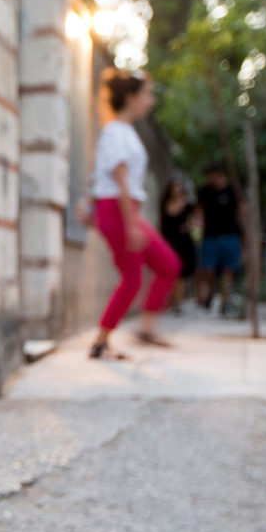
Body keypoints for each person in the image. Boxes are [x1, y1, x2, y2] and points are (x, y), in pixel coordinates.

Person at [87, 69, 181, 359]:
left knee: (167, 265)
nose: (150, 101)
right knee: (132, 279)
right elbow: (120, 178)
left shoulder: (123, 132)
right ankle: (101, 341)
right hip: (119, 210)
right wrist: (131, 225)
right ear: (131, 97)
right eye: (147, 94)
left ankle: (145, 328)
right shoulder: (116, 131)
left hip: (123, 210)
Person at [194, 162, 243, 314]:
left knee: (228, 271)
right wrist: (198, 225)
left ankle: (225, 301)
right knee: (208, 269)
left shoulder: (232, 191)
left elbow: (242, 211)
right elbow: (199, 211)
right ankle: (210, 293)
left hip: (230, 235)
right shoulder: (204, 192)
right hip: (210, 236)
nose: (210, 178)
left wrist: (244, 235)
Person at [159, 177, 197, 313]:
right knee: (168, 273)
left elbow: (198, 221)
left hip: (183, 243)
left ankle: (177, 305)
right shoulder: (164, 204)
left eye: (179, 186)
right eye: (175, 186)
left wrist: (190, 227)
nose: (177, 189)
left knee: (180, 276)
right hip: (168, 242)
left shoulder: (188, 205)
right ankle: (168, 302)